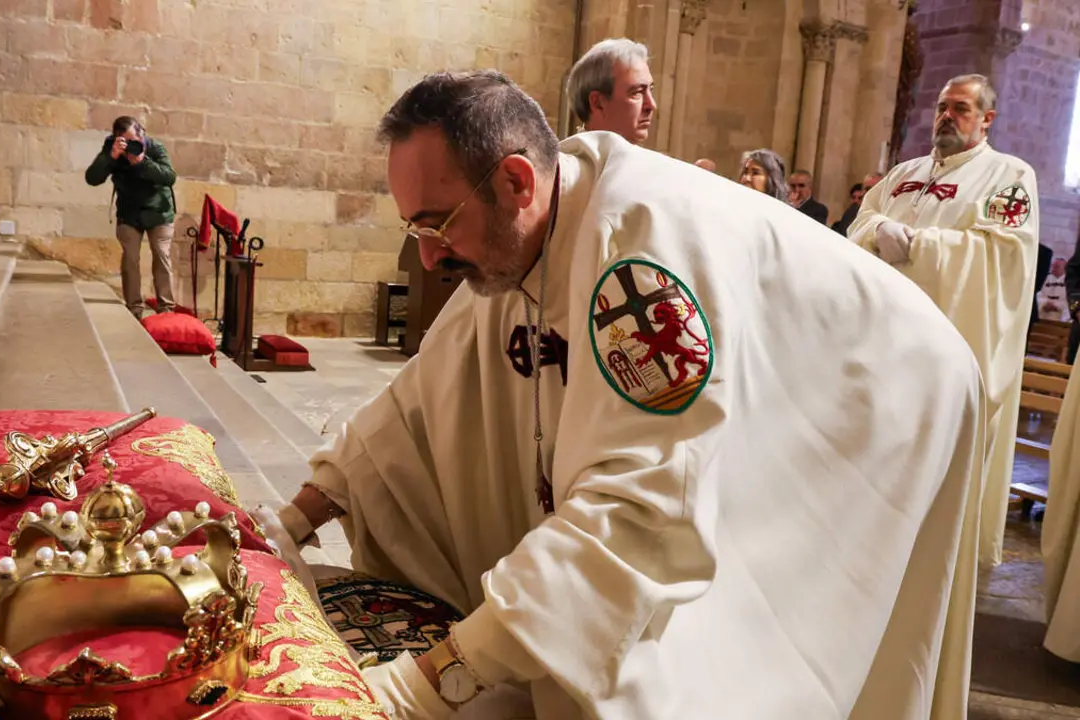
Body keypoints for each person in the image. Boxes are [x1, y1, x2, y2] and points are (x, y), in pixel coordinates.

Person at [261, 70, 984, 720]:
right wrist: (294, 520)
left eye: (437, 223)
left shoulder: (639, 266)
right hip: (830, 363)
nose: (425, 256)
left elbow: (636, 515)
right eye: (413, 226)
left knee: (780, 626)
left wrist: (429, 684)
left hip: (886, 387)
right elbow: (420, 399)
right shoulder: (526, 226)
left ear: (516, 181)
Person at [848, 72, 1038, 567]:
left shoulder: (1009, 176)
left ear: (987, 119)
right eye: (941, 107)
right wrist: (878, 228)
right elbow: (862, 220)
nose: (946, 117)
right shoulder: (903, 172)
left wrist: (919, 246)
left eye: (960, 109)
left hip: (946, 348)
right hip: (882, 343)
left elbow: (1002, 256)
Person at [85, 116, 177, 319]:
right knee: (130, 258)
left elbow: (169, 177)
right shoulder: (112, 148)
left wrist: (143, 162)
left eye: (136, 140)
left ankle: (166, 309)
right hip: (129, 213)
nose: (133, 145)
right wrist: (110, 157)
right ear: (117, 139)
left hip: (159, 212)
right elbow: (92, 178)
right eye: (127, 142)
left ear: (142, 133)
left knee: (161, 254)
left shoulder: (154, 147)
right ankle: (134, 309)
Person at [564, 38, 656, 144]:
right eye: (637, 92)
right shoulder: (567, 154)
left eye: (651, 89)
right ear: (598, 103)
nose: (651, 105)